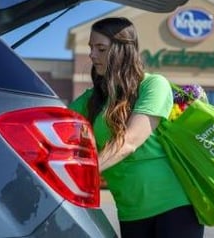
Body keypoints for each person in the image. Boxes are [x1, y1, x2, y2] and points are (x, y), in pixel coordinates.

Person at [68, 17, 204, 238]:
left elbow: (130, 141)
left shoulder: (153, 85)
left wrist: (78, 174)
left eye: (101, 48)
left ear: (123, 50)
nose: (92, 55)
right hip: (130, 211)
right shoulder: (91, 100)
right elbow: (54, 123)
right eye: (91, 48)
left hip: (174, 206)